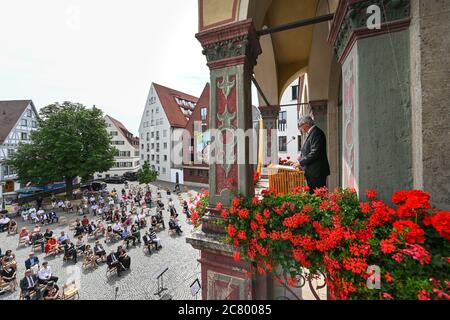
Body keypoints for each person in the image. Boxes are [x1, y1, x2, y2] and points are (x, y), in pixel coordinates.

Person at [295, 115, 330, 192]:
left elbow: (315, 153)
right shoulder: (312, 133)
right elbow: (308, 150)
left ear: (307, 124)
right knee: (313, 197)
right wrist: (300, 157)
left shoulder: (316, 133)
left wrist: (301, 162)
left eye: (300, 126)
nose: (300, 128)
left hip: (316, 172)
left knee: (318, 196)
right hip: (313, 172)